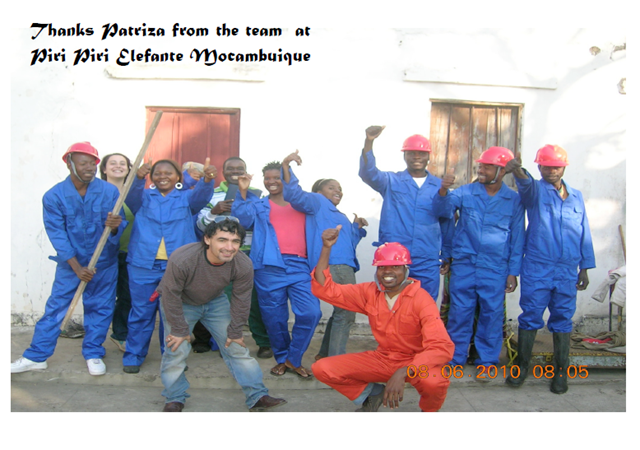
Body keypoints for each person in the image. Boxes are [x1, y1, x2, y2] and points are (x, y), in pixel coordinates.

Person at [11, 142, 125, 376]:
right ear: (69, 164)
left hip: (103, 263)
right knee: (56, 309)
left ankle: (93, 353)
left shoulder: (110, 192)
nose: (89, 168)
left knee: (100, 308)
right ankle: (36, 356)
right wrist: (76, 267)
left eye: (93, 163)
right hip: (71, 264)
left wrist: (114, 226)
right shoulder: (54, 196)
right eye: (83, 164)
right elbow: (57, 234)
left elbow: (118, 228)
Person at [311, 228, 454, 412]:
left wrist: (405, 371)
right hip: (384, 360)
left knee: (434, 381)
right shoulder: (369, 292)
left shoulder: (421, 299)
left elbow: (441, 347)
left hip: (418, 362)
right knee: (322, 368)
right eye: (382, 267)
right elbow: (326, 289)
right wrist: (326, 248)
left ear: (405, 269)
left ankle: (428, 411)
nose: (387, 272)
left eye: (395, 267)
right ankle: (372, 393)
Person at [158, 219, 287, 412]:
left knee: (236, 347)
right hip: (181, 302)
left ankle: (258, 396)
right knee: (176, 349)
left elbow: (241, 299)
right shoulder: (183, 258)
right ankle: (174, 398)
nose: (229, 247)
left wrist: (235, 331)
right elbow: (170, 294)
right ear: (207, 239)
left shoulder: (242, 263)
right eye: (222, 240)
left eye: (235, 241)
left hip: (214, 301)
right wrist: (179, 329)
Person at [504, 145, 595, 394]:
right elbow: (524, 183)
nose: (551, 171)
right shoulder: (535, 191)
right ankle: (521, 368)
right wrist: (517, 170)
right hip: (538, 267)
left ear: (564, 168)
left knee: (563, 319)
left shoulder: (576, 197)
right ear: (539, 167)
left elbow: (584, 231)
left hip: (567, 269)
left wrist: (585, 267)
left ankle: (560, 372)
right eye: (546, 166)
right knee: (531, 316)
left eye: (556, 167)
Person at [432, 147, 525, 374]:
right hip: (465, 265)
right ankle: (455, 359)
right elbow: (442, 210)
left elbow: (517, 238)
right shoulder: (465, 193)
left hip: (495, 268)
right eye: (480, 166)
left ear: (501, 171)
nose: (481, 170)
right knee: (459, 313)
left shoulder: (513, 200)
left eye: (487, 167)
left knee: (491, 315)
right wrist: (443, 190)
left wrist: (513, 272)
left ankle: (487, 361)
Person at [122, 158, 215, 373]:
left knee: (174, 314)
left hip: (177, 266)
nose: (163, 176)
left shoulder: (186, 198)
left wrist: (208, 180)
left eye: (168, 173)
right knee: (141, 312)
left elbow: (201, 197)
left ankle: (173, 357)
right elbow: (130, 196)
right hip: (143, 264)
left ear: (178, 177)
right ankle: (134, 355)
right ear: (152, 177)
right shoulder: (144, 196)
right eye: (158, 173)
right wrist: (137, 178)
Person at [233, 161, 322, 378]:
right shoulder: (259, 205)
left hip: (299, 266)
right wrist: (242, 191)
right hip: (268, 267)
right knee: (274, 318)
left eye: (277, 177)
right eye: (268, 178)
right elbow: (242, 220)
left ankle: (293, 358)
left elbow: (298, 195)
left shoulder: (303, 203)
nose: (271, 182)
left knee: (311, 312)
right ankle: (283, 359)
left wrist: (286, 166)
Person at [281, 150, 367, 359]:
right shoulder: (317, 201)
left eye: (340, 188)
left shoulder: (337, 214)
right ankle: (336, 362)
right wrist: (286, 166)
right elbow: (294, 195)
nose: (338, 191)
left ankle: (325, 355)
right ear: (319, 191)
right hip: (335, 264)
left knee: (341, 311)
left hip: (343, 264)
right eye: (331, 187)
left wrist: (356, 227)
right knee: (346, 312)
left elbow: (348, 244)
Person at [359, 125, 452, 299]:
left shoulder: (440, 187)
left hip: (426, 258)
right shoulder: (391, 181)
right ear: (404, 156)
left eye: (421, 153)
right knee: (391, 303)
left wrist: (446, 254)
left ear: (428, 157)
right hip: (394, 257)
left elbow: (447, 222)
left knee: (425, 303)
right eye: (411, 153)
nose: (416, 157)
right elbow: (368, 174)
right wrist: (369, 142)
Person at [195, 156, 272, 358]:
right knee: (224, 302)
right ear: (223, 171)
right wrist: (214, 212)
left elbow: (263, 223)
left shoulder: (257, 194)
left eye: (240, 168)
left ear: (245, 171)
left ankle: (263, 341)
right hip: (221, 257)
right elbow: (200, 225)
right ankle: (226, 343)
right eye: (230, 168)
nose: (235, 172)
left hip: (250, 255)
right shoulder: (212, 194)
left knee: (254, 302)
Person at [99, 153, 135, 352]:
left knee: (127, 295)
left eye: (123, 163)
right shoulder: (98, 192)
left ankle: (120, 334)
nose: (118, 166)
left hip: (129, 252)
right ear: (104, 169)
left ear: (129, 169)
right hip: (104, 253)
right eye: (112, 163)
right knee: (102, 296)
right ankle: (94, 341)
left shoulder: (134, 193)